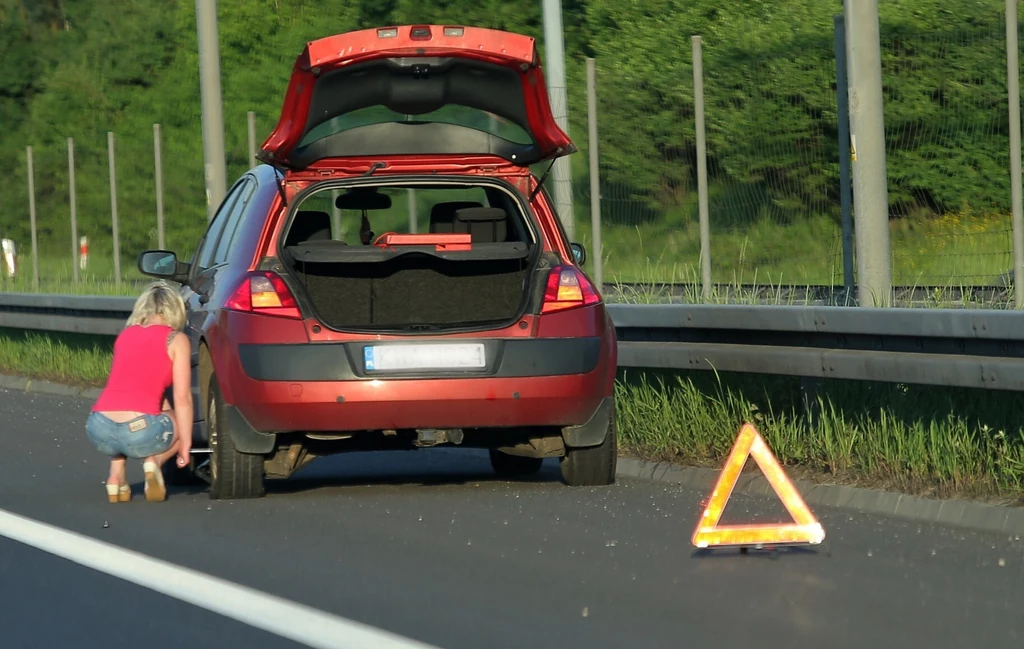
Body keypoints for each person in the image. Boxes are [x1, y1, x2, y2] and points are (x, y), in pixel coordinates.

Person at [85, 281, 192, 503]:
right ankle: (155, 461)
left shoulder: (125, 336)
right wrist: (185, 445)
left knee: (124, 419)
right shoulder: (176, 340)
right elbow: (183, 399)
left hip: (98, 427)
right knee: (183, 421)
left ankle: (116, 476)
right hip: (138, 430)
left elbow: (135, 389)